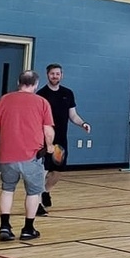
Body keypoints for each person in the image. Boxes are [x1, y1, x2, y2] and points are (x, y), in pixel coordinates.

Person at [0, 70, 55, 242]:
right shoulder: (42, 102)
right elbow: (48, 130)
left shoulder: (3, 100)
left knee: (7, 189)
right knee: (33, 192)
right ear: (36, 84)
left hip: (7, 154)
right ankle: (28, 229)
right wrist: (50, 146)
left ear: (19, 82)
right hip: (31, 155)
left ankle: (5, 226)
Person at [36, 63, 91, 215]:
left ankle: (46, 191)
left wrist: (83, 123)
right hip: (44, 139)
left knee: (57, 171)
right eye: (52, 73)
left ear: (61, 75)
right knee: (43, 169)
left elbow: (73, 115)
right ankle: (38, 202)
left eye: (57, 74)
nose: (55, 76)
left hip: (61, 140)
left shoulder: (68, 93)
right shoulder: (41, 95)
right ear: (47, 75)